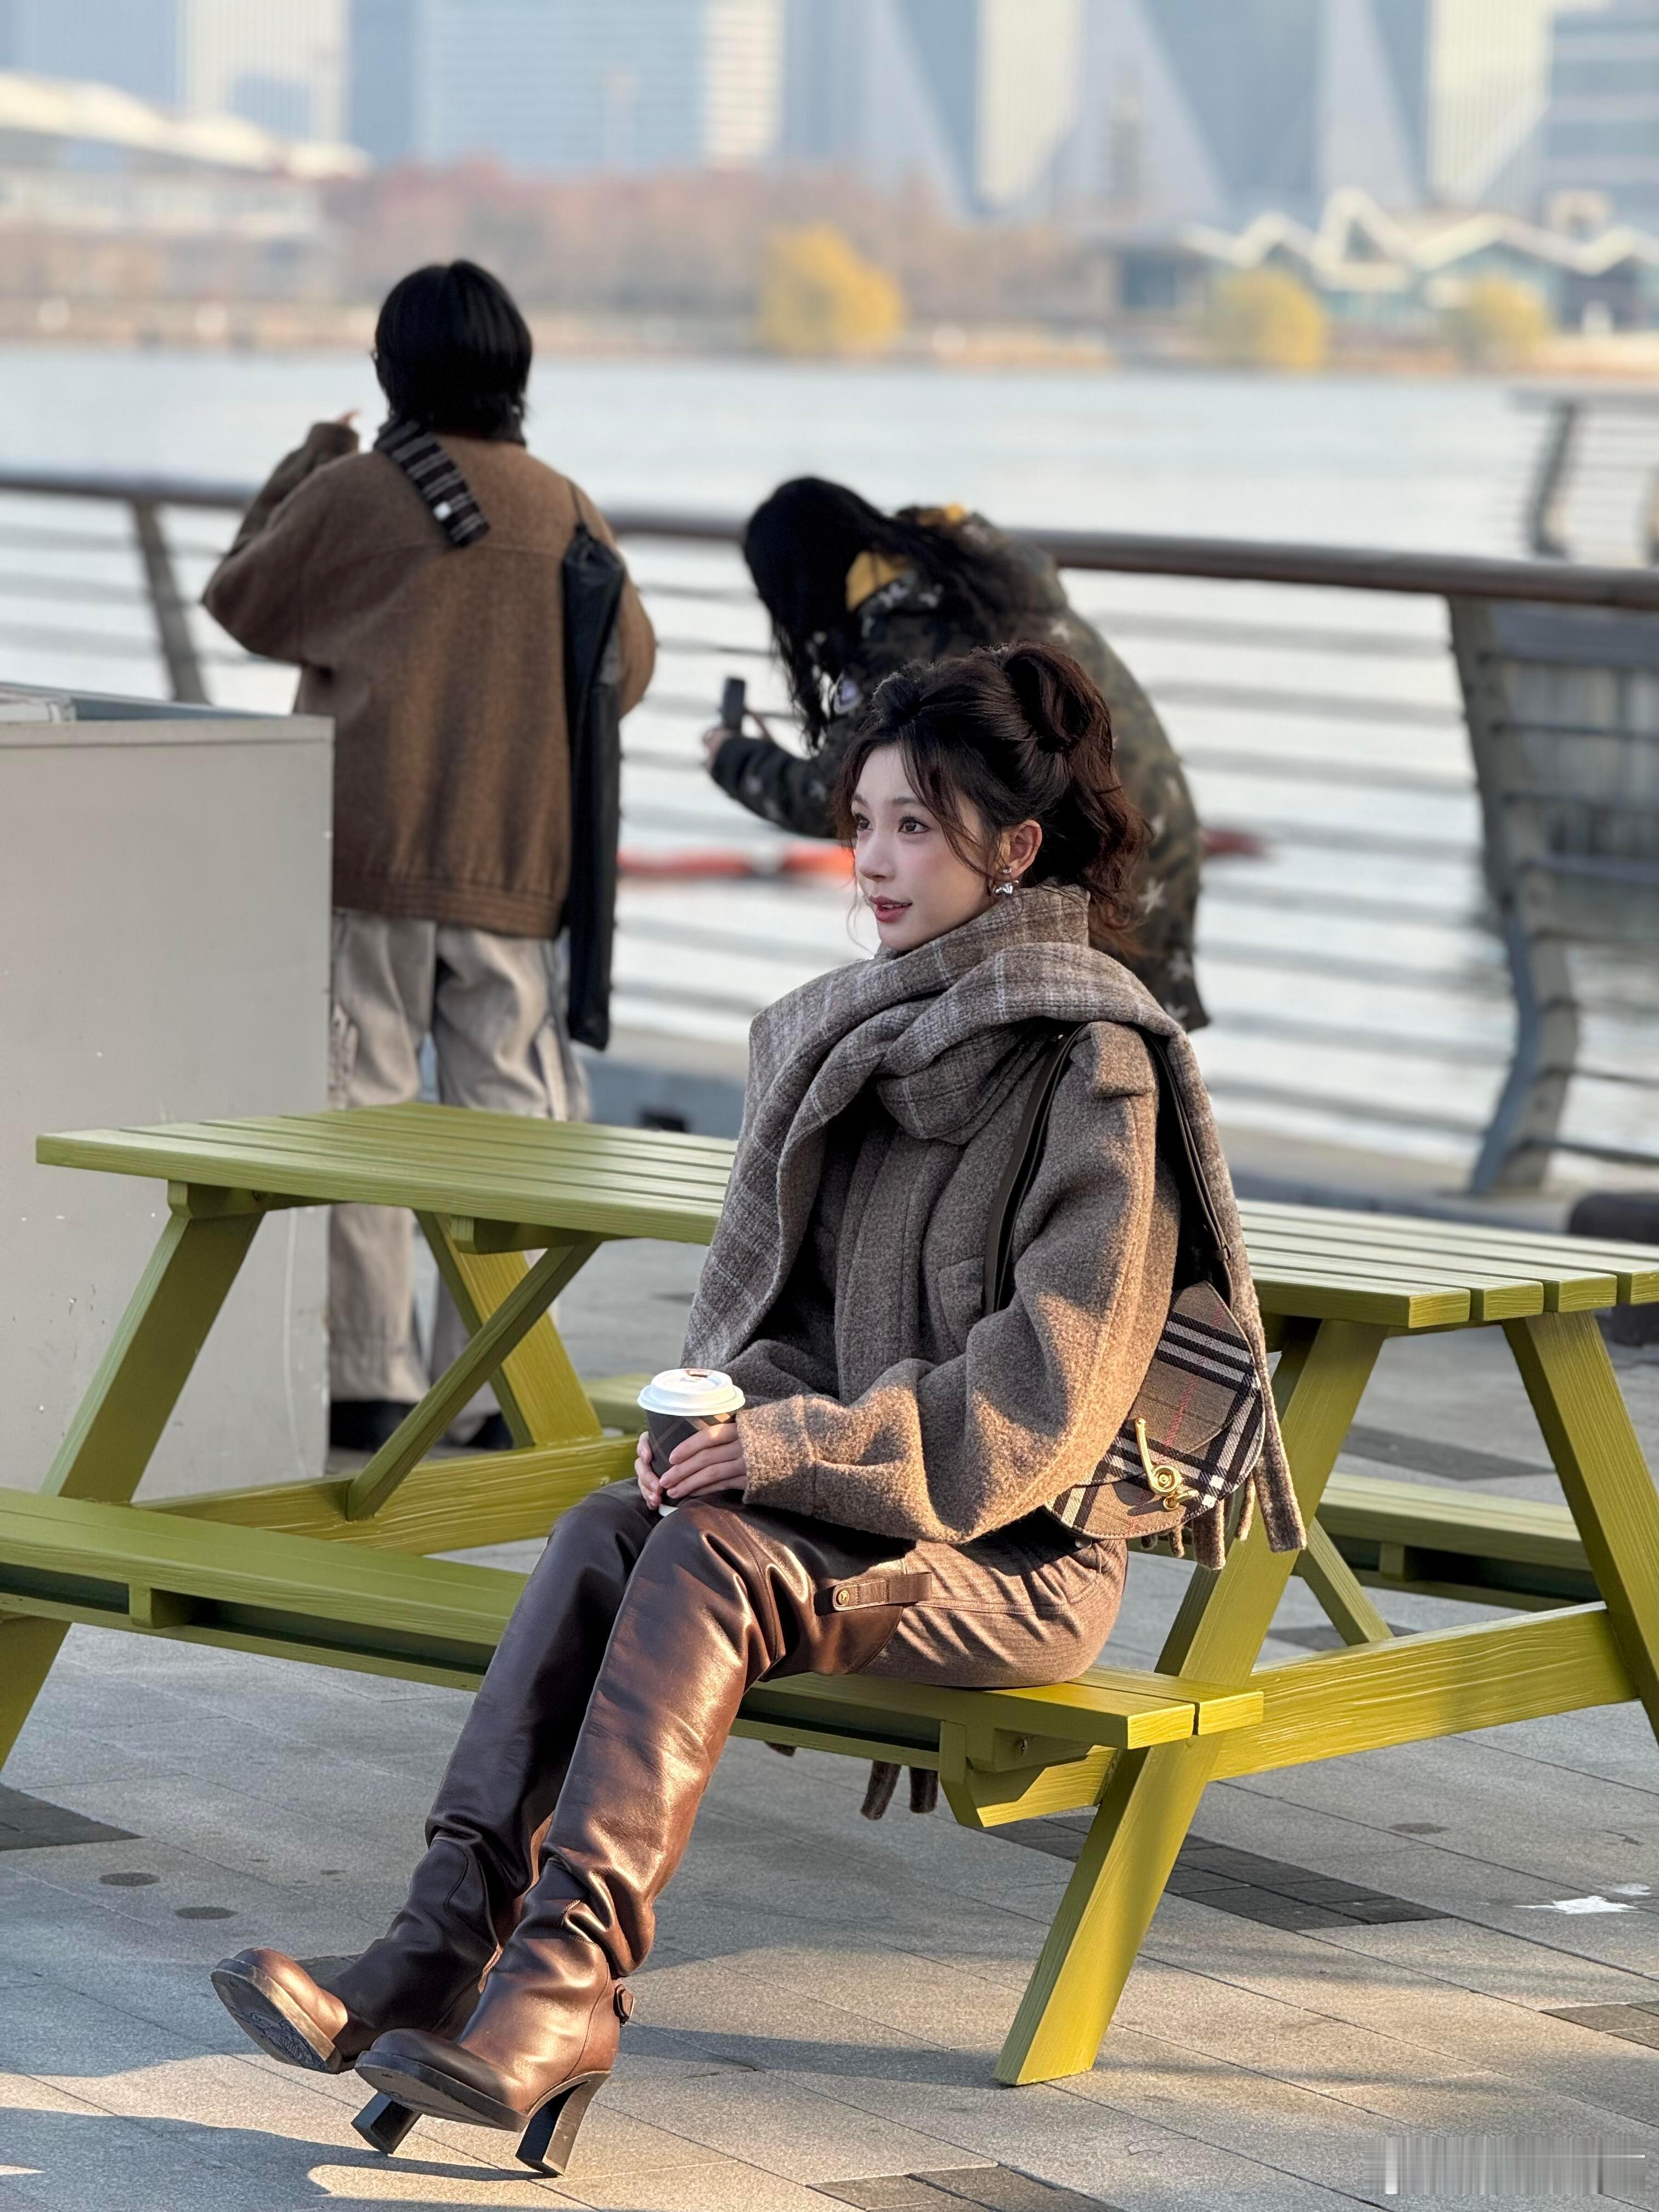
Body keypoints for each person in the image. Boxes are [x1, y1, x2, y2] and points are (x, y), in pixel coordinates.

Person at [208, 644, 1302, 2171]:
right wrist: (725, 1425)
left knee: (713, 1557)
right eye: (862, 823)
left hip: (1019, 1560)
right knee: (609, 1527)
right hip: (859, 1517)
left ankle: (565, 1988)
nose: (873, 862)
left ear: (1016, 848)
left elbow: (1039, 1408)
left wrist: (782, 1449)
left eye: (915, 826)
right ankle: (434, 1949)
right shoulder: (851, 1045)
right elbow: (787, 1334)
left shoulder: (1095, 1073)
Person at [203, 261, 656, 1453]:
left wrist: (306, 461)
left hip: (368, 856)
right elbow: (627, 671)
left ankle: (368, 1374)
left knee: (358, 1105)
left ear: (390, 369)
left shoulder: (356, 491)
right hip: (514, 864)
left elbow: (241, 600)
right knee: (511, 1114)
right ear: (516, 372)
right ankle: (499, 1380)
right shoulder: (564, 505)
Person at [709, 476, 1207, 1030]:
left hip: (1089, 858)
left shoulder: (908, 628)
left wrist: (733, 758)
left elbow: (835, 794)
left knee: (1085, 1042)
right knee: (1127, 1033)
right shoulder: (961, 573)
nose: (869, 861)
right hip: (1144, 823)